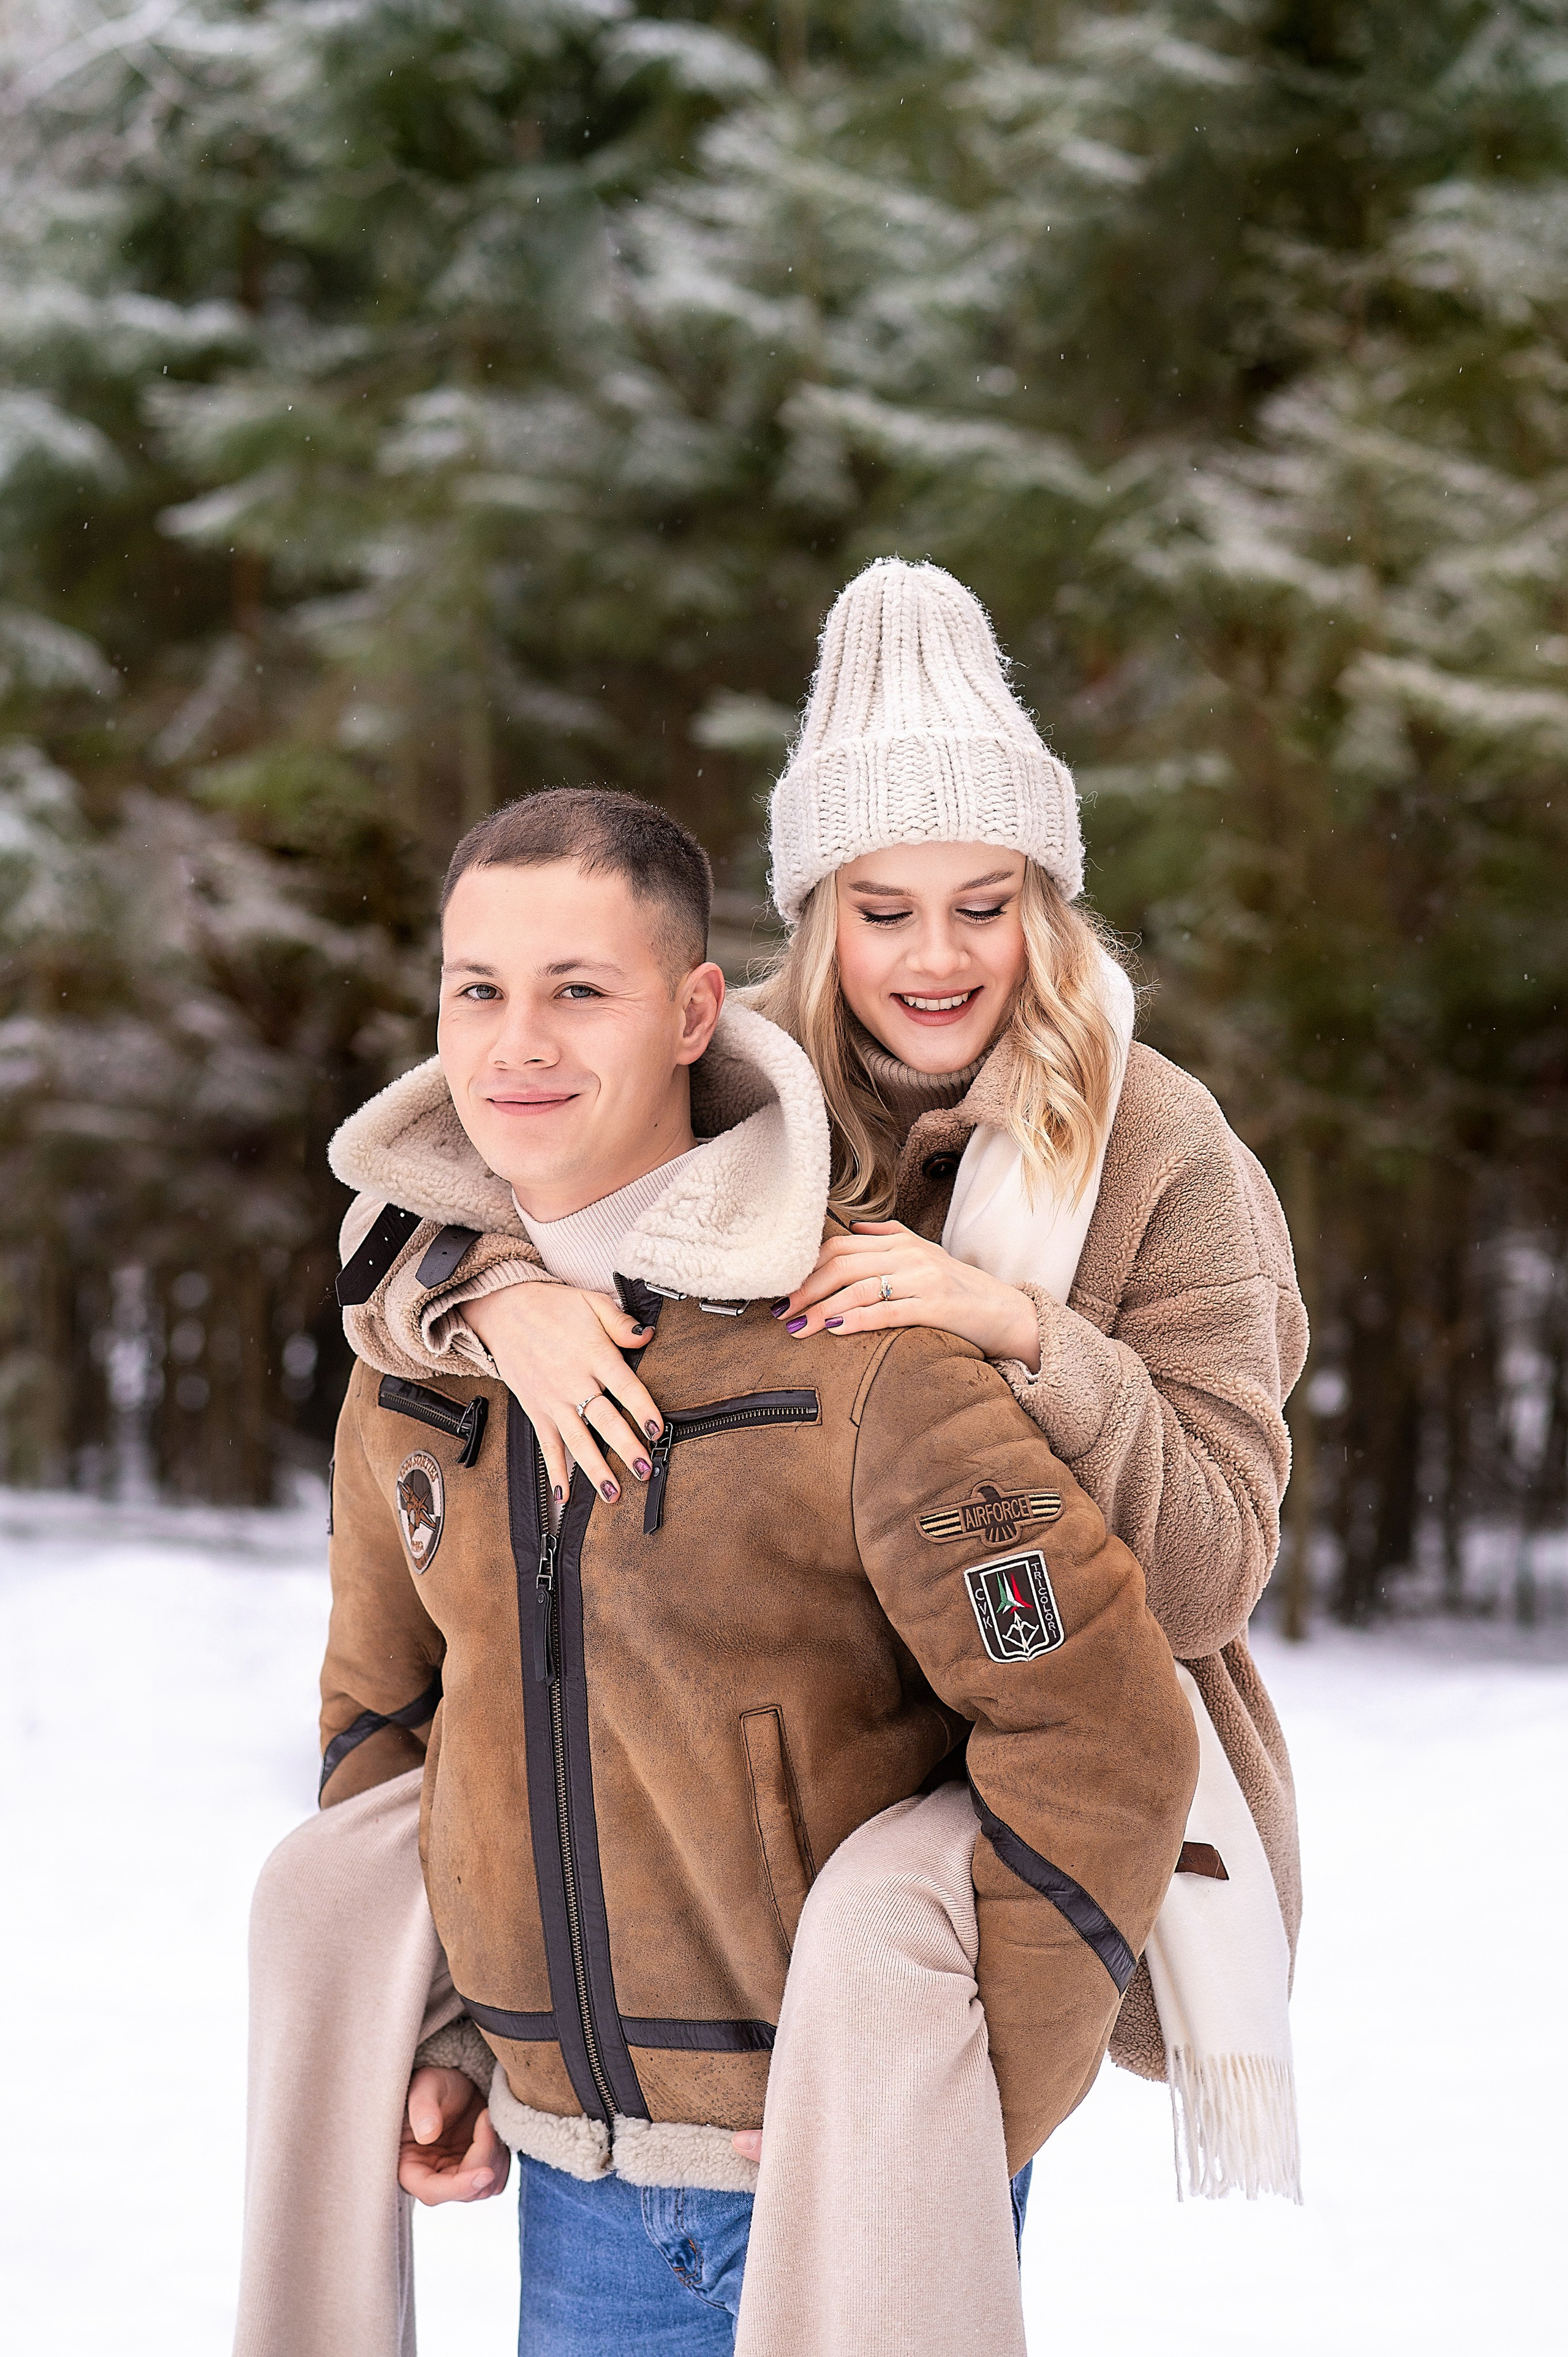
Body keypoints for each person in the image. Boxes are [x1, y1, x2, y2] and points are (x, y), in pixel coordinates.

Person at [337, 560, 1306, 2352]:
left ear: (1050, 905)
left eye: (984, 903)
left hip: (983, 1854)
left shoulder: (1164, 1151)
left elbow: (1212, 1566)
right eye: (884, 909)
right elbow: (473, 1153)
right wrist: (491, 1300)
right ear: (816, 917)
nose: (936, 959)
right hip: (720, 1857)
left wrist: (1020, 1332)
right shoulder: (744, 1084)